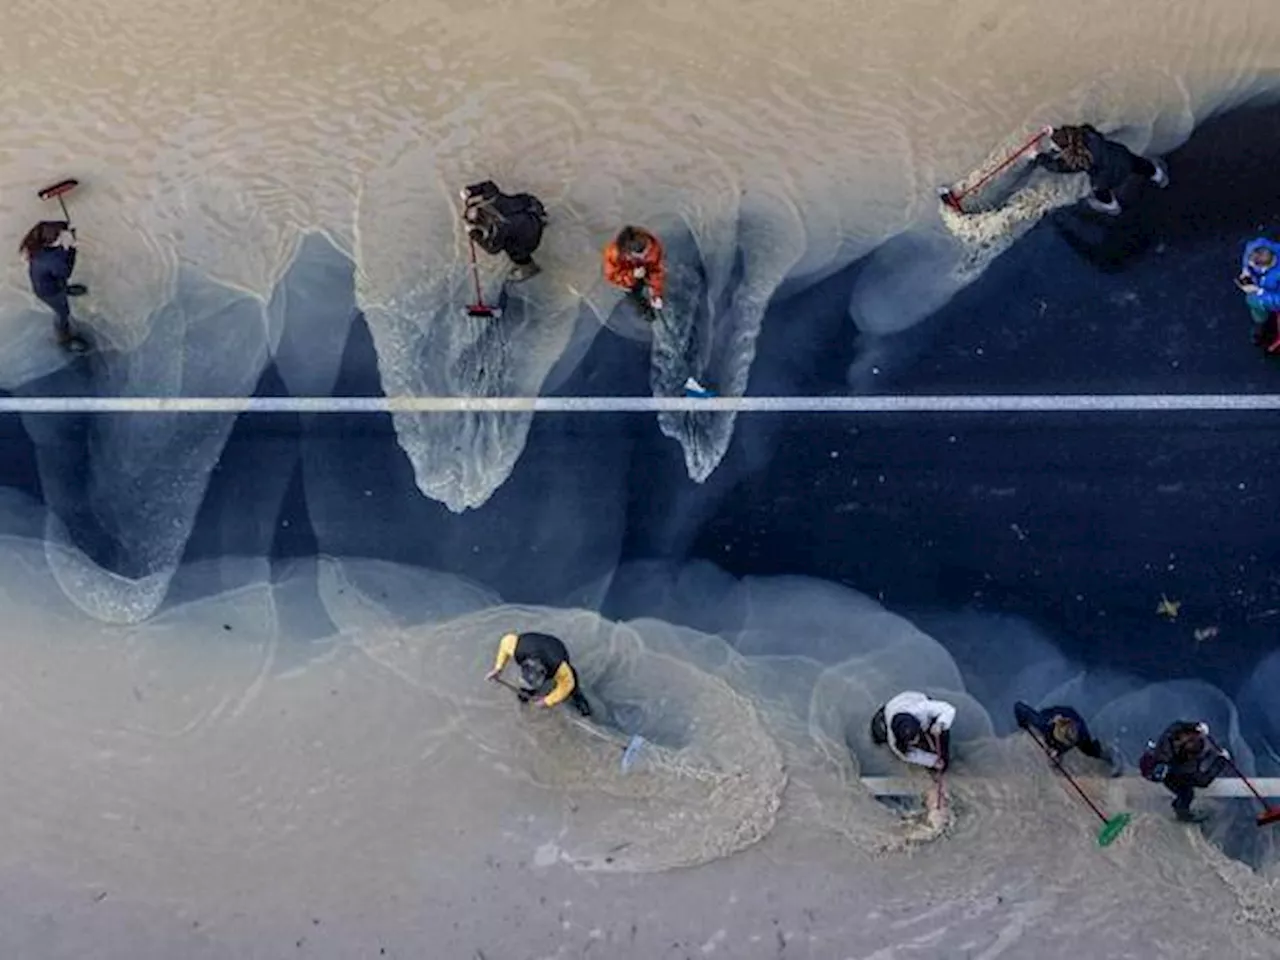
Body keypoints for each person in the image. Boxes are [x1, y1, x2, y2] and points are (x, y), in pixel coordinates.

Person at [1032, 124, 1169, 216]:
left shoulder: (1079, 161)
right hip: (1121, 157)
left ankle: (1112, 206)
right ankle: (1158, 176)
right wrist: (1053, 132)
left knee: (1098, 189)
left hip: (1108, 177)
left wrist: (1037, 155)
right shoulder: (1089, 134)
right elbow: (1071, 135)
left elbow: (1056, 167)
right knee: (1138, 163)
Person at [1140, 720, 1231, 823]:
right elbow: (1204, 781)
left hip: (1163, 762)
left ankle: (1179, 807)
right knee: (1187, 793)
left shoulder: (1167, 740)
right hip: (1170, 776)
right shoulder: (1186, 770)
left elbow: (1175, 726)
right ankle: (1182, 814)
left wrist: (1194, 726)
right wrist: (1221, 761)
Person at [486, 630, 591, 716]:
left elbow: (568, 684)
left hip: (556, 649)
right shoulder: (517, 648)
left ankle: (582, 706)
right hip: (533, 644)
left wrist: (548, 701)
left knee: (572, 685)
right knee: (524, 694)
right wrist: (498, 669)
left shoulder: (559, 667)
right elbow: (505, 641)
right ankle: (524, 706)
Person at [20, 220, 89, 351]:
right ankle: (64, 338)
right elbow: (65, 272)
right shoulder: (50, 260)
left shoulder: (39, 242)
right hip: (49, 292)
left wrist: (68, 229)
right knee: (63, 312)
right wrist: (72, 249)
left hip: (46, 281)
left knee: (59, 285)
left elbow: (60, 225)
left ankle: (65, 290)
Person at [460, 180, 548, 283]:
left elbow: (492, 248)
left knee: (512, 248)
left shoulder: (499, 229)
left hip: (530, 238)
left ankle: (529, 268)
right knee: (522, 212)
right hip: (534, 210)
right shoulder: (494, 198)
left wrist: (474, 234)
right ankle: (543, 220)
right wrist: (470, 191)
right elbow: (489, 185)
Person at [1014, 701, 1122, 776]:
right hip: (1053, 714)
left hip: (1072, 716)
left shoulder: (1080, 732)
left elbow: (1074, 738)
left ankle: (1111, 757)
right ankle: (1056, 766)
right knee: (1053, 750)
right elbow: (1018, 706)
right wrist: (1022, 722)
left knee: (1089, 750)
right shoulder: (1043, 724)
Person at [870, 691, 956, 771]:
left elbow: (948, 709)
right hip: (893, 707)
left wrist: (940, 724)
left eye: (916, 737)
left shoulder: (922, 708)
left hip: (913, 699)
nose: (915, 741)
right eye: (911, 741)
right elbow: (906, 755)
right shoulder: (893, 740)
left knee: (943, 737)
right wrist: (932, 761)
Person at [603, 226, 665, 318]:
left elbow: (656, 270)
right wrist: (632, 275)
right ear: (628, 253)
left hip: (644, 269)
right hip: (627, 277)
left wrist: (656, 294)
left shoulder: (653, 247)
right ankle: (645, 310)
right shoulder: (614, 255)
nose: (646, 255)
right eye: (641, 255)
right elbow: (612, 276)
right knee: (634, 294)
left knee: (652, 282)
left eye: (647, 252)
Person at [1235, 237, 1280, 353]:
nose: (1250, 265)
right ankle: (1261, 324)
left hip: (1273, 297)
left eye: (1253, 266)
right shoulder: (1258, 246)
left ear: (1265, 267)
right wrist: (1246, 269)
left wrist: (1259, 291)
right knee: (1252, 301)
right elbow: (1248, 251)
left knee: (1254, 302)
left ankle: (1263, 325)